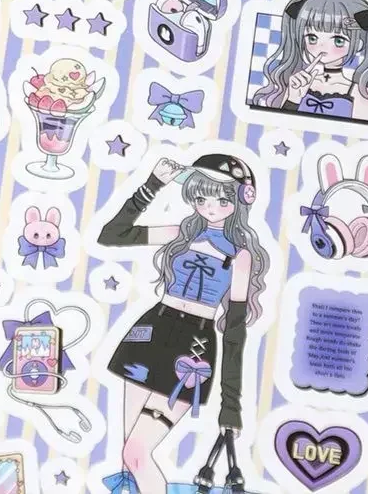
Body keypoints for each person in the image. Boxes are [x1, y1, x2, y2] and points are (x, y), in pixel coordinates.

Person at [100, 153, 269, 494]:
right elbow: (112, 234)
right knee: (128, 457)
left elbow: (235, 333)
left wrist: (230, 407)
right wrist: (153, 184)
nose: (210, 207)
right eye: (201, 197)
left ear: (239, 200)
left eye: (222, 200)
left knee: (136, 454)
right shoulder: (181, 233)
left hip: (193, 348)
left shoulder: (240, 255)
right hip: (150, 333)